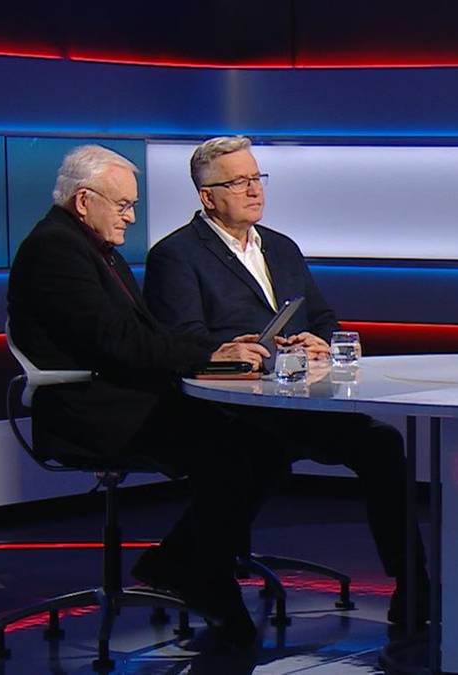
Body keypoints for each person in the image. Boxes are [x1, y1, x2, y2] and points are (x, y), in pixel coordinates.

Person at [143, 135, 427, 624]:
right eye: (239, 182)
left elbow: (323, 317)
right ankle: (194, 566)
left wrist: (321, 342)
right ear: (207, 196)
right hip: (228, 405)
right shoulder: (176, 255)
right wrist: (243, 350)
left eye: (257, 178)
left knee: (381, 444)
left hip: (295, 398)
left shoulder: (281, 247)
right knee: (258, 450)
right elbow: (183, 339)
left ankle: (414, 585)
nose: (254, 190)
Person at [6, 145, 271, 647]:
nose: (131, 217)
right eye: (123, 205)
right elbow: (119, 343)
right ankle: (199, 574)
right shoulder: (55, 251)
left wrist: (215, 352)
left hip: (118, 396)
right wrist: (210, 354)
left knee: (258, 438)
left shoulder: (90, 248)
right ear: (84, 201)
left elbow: (143, 334)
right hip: (86, 411)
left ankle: (181, 562)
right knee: (236, 448)